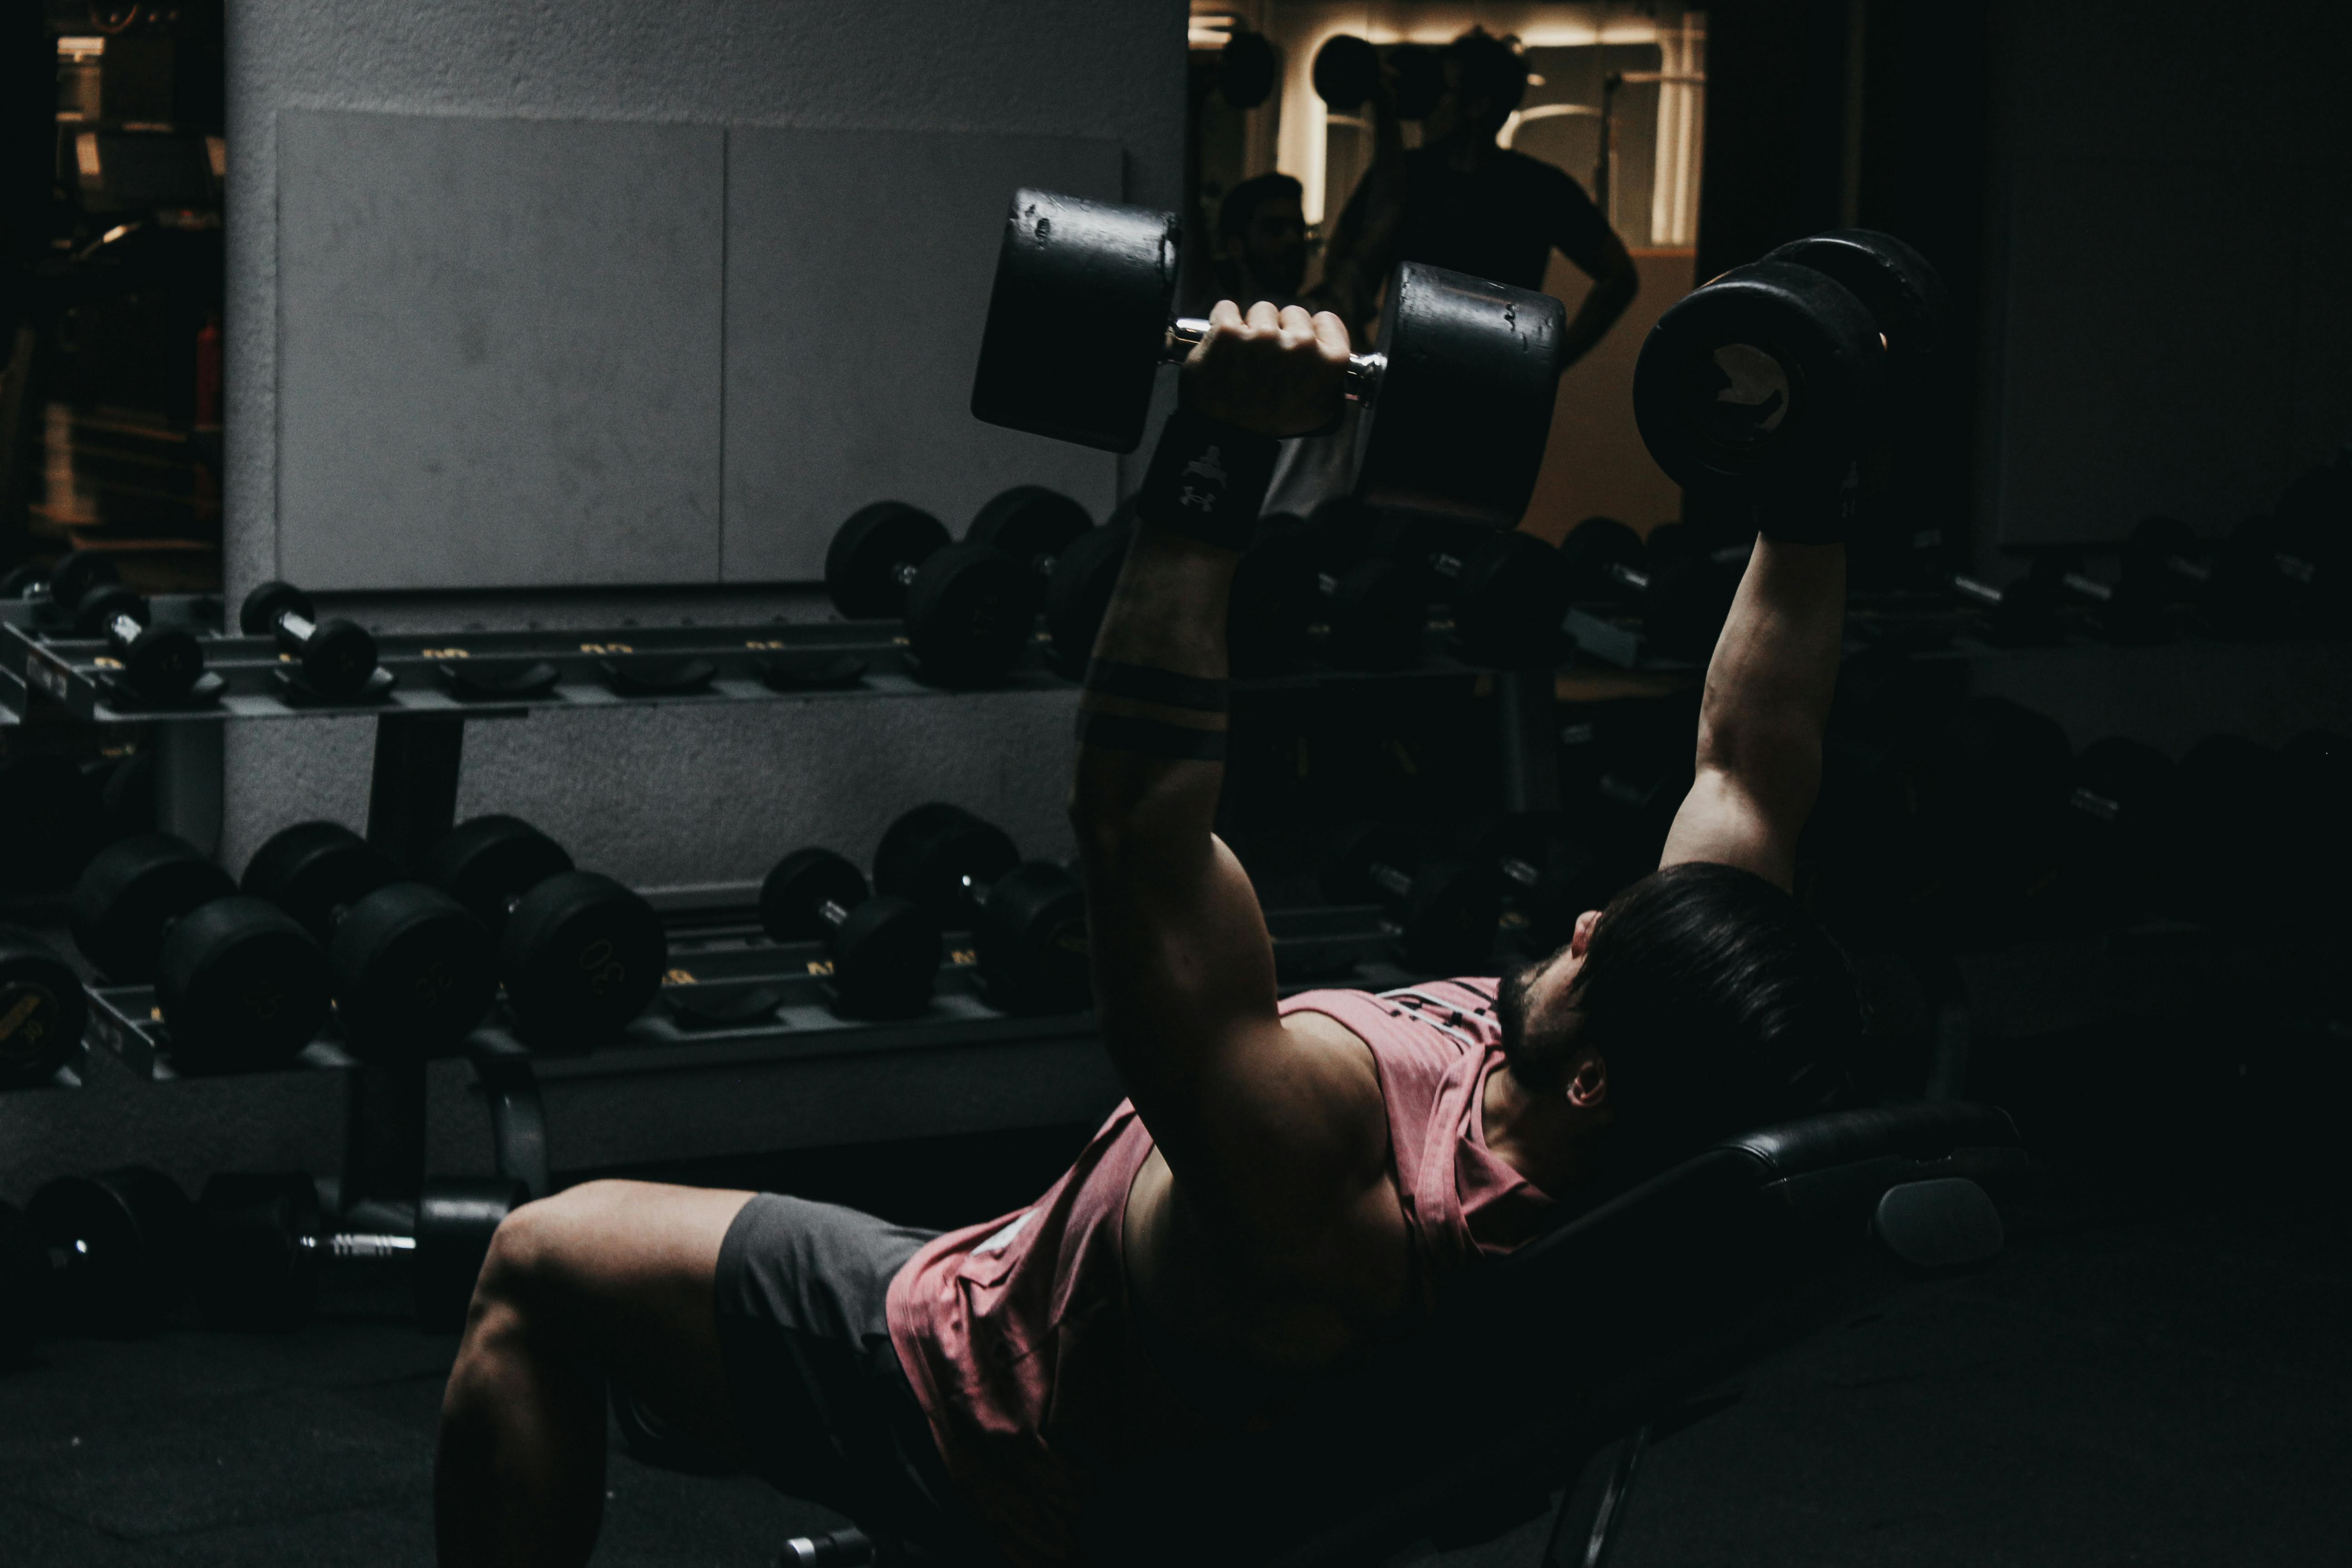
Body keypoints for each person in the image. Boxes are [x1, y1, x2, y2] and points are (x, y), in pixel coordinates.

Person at [432, 301, 1862, 1568]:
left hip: (977, 1402)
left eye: (1597, 951)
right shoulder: (1685, 1116)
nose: (1590, 917)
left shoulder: (1330, 1165)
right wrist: (1806, 464)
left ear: (1598, 1077)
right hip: (1102, 1345)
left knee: (539, 1265)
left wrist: (1218, 456)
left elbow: (1132, 830)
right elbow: (1749, 757)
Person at [1320, 28, 1640, 365]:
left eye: (1442, 90)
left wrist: (1553, 361)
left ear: (1479, 107)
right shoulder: (1402, 177)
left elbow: (1619, 276)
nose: (1429, 103)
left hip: (1492, 390)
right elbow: (1339, 268)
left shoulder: (1537, 187)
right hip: (1416, 384)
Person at [1209, 172, 1309, 309]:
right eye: (1274, 228)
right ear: (1236, 246)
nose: (1293, 239)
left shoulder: (1322, 319)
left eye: (1299, 228)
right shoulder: (1206, 321)